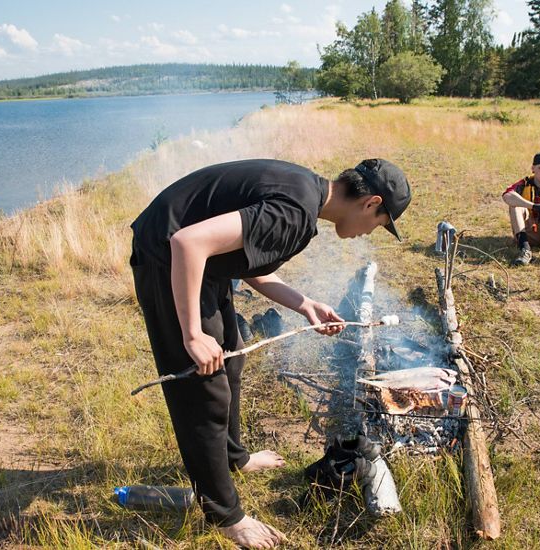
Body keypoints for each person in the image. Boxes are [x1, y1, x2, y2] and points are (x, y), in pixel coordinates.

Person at [129, 158, 412, 549]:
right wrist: (192, 333)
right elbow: (187, 242)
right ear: (370, 203)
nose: (370, 233)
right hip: (168, 259)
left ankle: (233, 458)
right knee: (205, 387)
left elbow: (245, 257)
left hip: (201, 264)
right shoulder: (296, 211)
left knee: (232, 356)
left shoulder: (306, 194)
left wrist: (304, 304)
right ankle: (225, 515)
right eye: (380, 224)